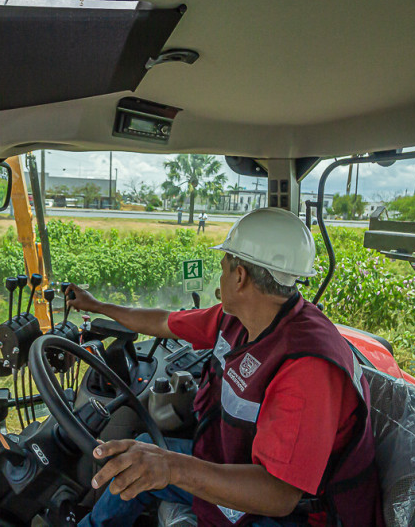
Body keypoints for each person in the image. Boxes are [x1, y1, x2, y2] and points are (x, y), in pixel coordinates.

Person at [67, 208, 384, 527]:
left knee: (155, 460)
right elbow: (163, 321)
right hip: (235, 460)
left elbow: (279, 495)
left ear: (239, 276)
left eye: (222, 268)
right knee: (140, 459)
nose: (219, 278)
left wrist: (172, 467)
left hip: (296, 514)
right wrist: (96, 306)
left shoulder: (307, 366)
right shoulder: (237, 319)